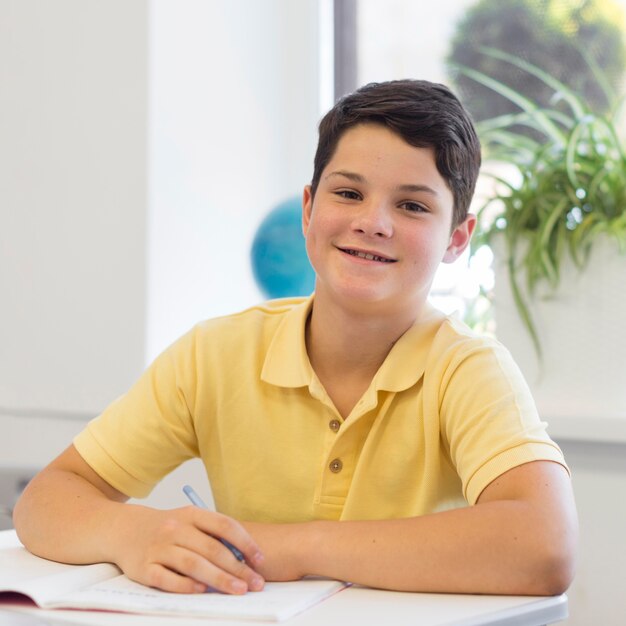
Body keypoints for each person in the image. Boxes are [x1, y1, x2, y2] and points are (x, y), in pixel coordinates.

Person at [13, 79, 578, 597]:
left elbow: (544, 546)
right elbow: (47, 501)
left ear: (457, 238)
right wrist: (134, 534)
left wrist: (292, 547)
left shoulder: (468, 368)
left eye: (411, 205)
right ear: (308, 209)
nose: (373, 222)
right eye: (348, 193)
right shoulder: (213, 354)